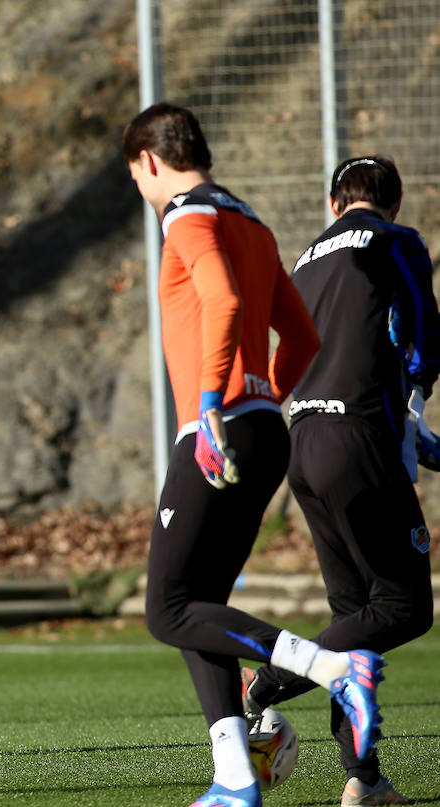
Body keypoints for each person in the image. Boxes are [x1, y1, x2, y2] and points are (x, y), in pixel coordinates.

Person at [123, 102, 385, 807]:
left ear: (150, 161)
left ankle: (333, 667)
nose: (144, 197)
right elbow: (301, 339)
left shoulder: (186, 212)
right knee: (196, 606)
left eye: (137, 181)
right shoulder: (254, 220)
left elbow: (224, 299)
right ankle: (236, 777)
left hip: (220, 425)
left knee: (164, 609)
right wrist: (265, 396)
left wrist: (213, 403)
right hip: (264, 426)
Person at [240, 155, 437, 806]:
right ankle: (269, 678)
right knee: (403, 610)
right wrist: (416, 397)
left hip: (304, 439)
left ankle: (365, 777)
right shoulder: (395, 241)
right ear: (396, 203)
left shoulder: (307, 257)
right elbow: (419, 331)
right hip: (359, 440)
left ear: (333, 205)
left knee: (356, 615)